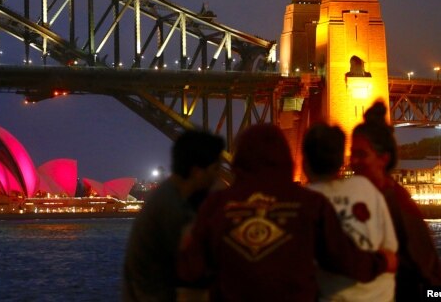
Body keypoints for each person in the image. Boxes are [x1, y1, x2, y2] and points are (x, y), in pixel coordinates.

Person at [177, 124, 397, 302]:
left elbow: (190, 271)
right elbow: (344, 260)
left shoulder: (215, 206)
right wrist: (382, 262)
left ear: (240, 158)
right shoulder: (310, 204)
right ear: (286, 158)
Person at [351, 101, 441, 300]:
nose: (353, 162)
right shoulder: (359, 200)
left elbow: (434, 280)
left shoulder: (398, 203)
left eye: (361, 155)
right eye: (352, 154)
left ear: (383, 159)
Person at [122, 129, 225, 302]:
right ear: (197, 171)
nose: (217, 176)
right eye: (215, 169)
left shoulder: (170, 196)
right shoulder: (172, 208)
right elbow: (194, 270)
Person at [303, 123, 398, 301]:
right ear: (341, 161)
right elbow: (391, 253)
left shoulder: (304, 200)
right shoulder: (366, 188)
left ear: (304, 161)